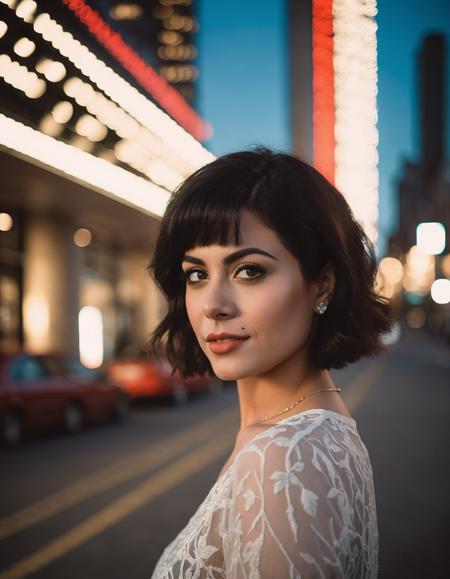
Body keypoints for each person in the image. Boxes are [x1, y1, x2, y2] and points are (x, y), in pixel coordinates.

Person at [148, 148, 392, 578]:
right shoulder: (306, 435)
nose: (214, 305)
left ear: (323, 284)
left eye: (249, 271)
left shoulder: (285, 457)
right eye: (196, 274)